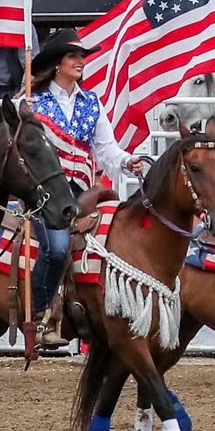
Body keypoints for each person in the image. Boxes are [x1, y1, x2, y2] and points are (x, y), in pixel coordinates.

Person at [27, 34, 145, 319]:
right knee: (56, 249)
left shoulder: (91, 102)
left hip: (81, 192)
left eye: (82, 56)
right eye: (73, 56)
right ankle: (39, 308)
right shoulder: (34, 103)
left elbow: (106, 148)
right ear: (57, 64)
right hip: (44, 193)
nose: (81, 61)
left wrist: (128, 161)